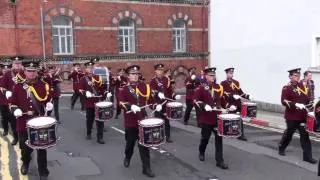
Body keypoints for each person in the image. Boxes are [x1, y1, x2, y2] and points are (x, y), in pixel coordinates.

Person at [10, 61, 53, 180]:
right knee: (25, 148)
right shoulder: (19, 86)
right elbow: (12, 103)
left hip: (39, 122)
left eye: (34, 71)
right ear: (25, 72)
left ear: (37, 72)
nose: (32, 73)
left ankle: (43, 171)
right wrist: (15, 110)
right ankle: (25, 163)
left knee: (42, 148)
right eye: (29, 71)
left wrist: (49, 108)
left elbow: (48, 102)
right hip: (23, 122)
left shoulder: (43, 85)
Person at [118, 65, 157, 177]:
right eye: (132, 74)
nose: (135, 76)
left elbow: (151, 100)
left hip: (142, 120)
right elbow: (121, 103)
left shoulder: (145, 86)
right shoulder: (124, 89)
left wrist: (156, 106)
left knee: (144, 145)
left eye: (136, 74)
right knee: (130, 143)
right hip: (130, 121)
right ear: (128, 76)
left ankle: (146, 168)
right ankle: (128, 156)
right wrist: (130, 106)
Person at [278, 68, 317, 164]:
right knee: (289, 134)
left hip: (302, 116)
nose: (297, 77)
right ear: (290, 76)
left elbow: (307, 99)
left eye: (298, 76)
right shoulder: (286, 88)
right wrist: (295, 104)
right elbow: (284, 101)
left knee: (305, 135)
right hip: (292, 116)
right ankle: (282, 147)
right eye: (295, 75)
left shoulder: (302, 86)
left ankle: (307, 157)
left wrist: (312, 105)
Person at [194, 67, 228, 169]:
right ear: (206, 76)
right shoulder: (201, 88)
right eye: (210, 75)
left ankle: (219, 161)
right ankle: (201, 151)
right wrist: (204, 105)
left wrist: (228, 106)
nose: (213, 77)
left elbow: (222, 101)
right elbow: (195, 100)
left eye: (213, 75)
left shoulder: (218, 87)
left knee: (219, 139)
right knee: (205, 138)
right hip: (207, 119)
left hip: (217, 118)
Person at [79, 61, 110, 144]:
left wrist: (106, 93)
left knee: (100, 120)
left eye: (92, 67)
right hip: (89, 103)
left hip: (98, 102)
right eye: (89, 68)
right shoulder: (83, 79)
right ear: (86, 69)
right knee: (89, 119)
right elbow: (80, 90)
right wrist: (86, 93)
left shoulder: (98, 77)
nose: (90, 69)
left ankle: (100, 137)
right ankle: (88, 133)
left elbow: (103, 88)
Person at [150, 64, 180, 143]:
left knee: (166, 121)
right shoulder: (153, 81)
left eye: (162, 70)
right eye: (159, 70)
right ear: (155, 71)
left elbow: (169, 91)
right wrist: (158, 93)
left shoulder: (166, 79)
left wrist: (175, 96)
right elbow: (152, 91)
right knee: (158, 121)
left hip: (165, 103)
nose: (160, 71)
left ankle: (167, 137)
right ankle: (157, 137)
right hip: (158, 104)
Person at [220, 67, 252, 141]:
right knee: (229, 119)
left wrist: (247, 96)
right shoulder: (223, 83)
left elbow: (240, 92)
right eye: (230, 73)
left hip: (237, 103)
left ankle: (240, 135)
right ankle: (227, 132)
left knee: (239, 119)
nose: (231, 74)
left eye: (232, 73)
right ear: (227, 74)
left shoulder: (236, 82)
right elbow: (224, 93)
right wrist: (232, 96)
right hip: (230, 104)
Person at [0, 56, 25, 145]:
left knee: (23, 120)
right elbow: (2, 86)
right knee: (13, 121)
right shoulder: (8, 74)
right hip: (12, 102)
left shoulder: (26, 73)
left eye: (19, 63)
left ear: (21, 64)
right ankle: (15, 137)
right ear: (13, 65)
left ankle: (24, 139)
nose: (17, 65)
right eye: (15, 63)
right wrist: (6, 92)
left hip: (23, 101)